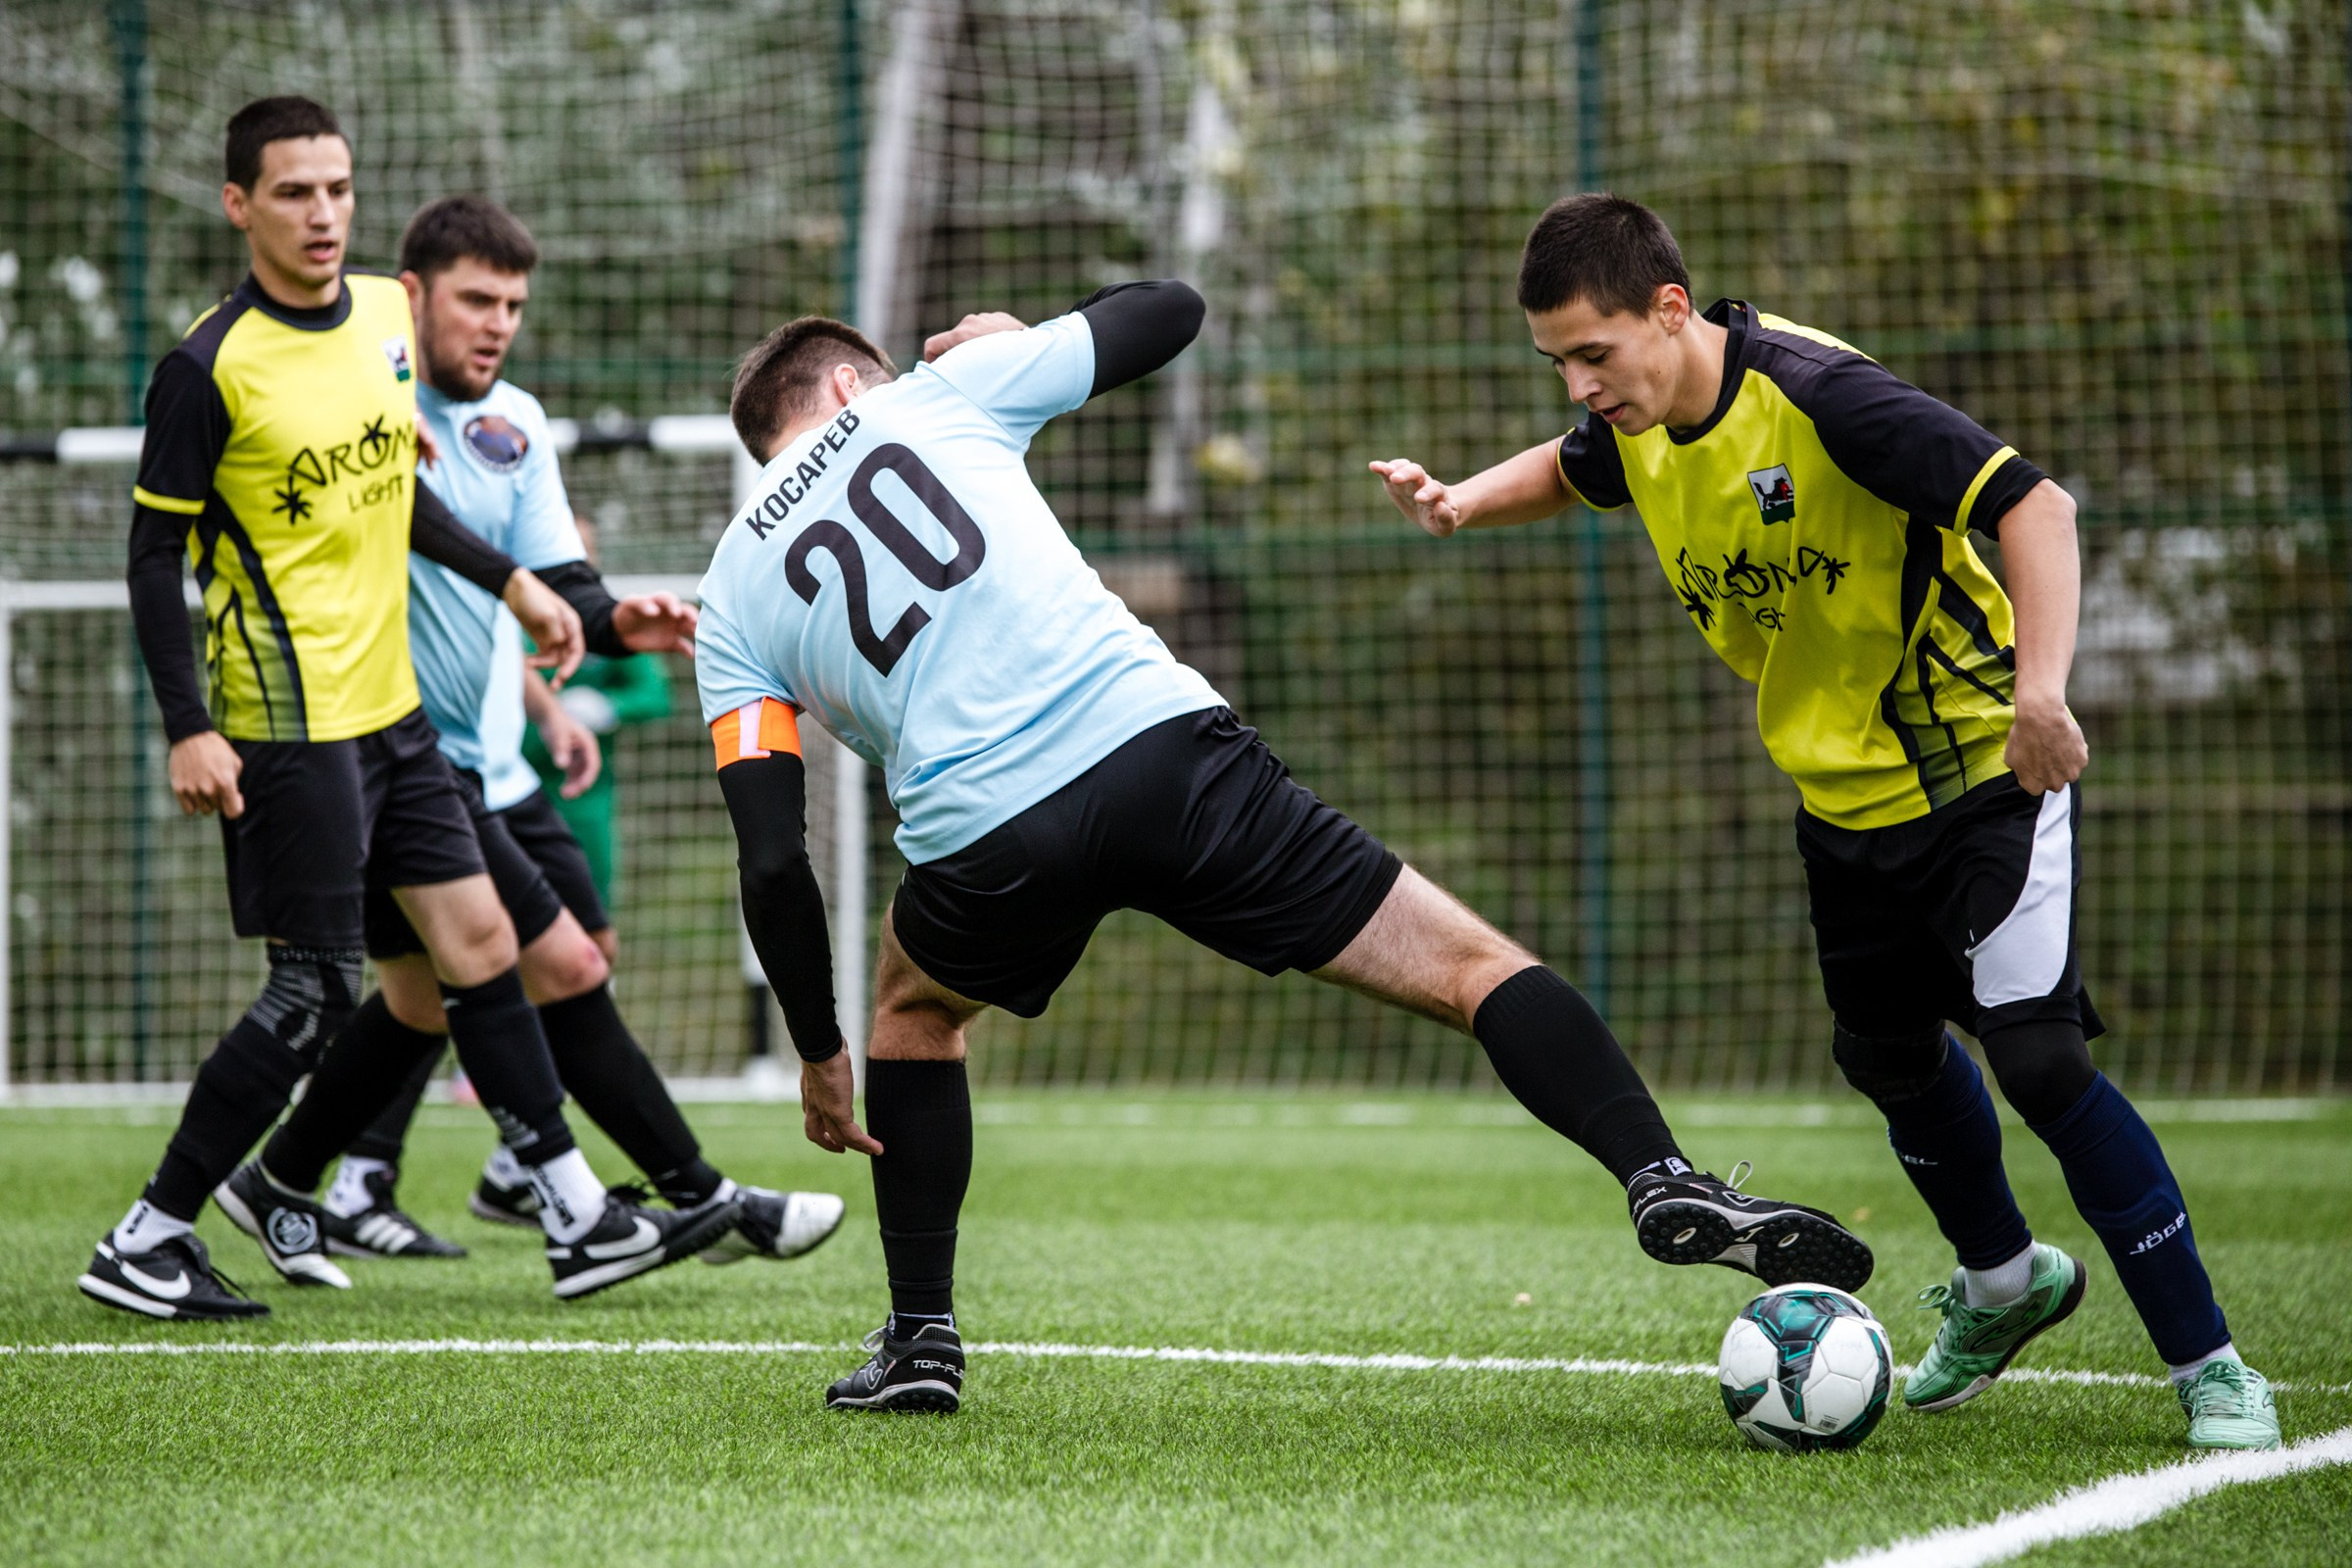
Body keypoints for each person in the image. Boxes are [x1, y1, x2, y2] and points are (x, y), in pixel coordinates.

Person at [697, 282, 1874, 1414]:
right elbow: (1170, 311)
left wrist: (817, 1047)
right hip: (1162, 753)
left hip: (988, 839)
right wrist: (1015, 339)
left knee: (913, 1010)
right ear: (856, 380)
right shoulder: (936, 399)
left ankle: (922, 1339)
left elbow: (771, 858)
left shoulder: (730, 596)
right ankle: (1657, 1171)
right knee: (1470, 968)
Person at [1370, 193, 2278, 1450]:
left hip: (1978, 775)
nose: (1579, 386)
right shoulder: (1636, 422)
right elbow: (1581, 471)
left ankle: (2213, 1368)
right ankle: (2006, 1285)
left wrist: (2042, 696)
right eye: (1557, 363)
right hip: (1841, 797)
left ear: (1671, 310)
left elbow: (2038, 508)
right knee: (1889, 1058)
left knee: (2039, 1060)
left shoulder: (1820, 399)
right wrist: (1463, 501)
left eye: (1594, 353)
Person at [78, 97, 738, 1323]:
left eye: (336, 188)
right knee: (316, 989)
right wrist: (188, 723)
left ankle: (577, 1216)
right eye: (292, 192)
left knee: (479, 949)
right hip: (286, 719)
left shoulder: (385, 312)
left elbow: (397, 499)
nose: (321, 213)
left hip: (393, 718)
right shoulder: (207, 368)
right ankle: (150, 1231)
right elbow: (146, 561)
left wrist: (524, 584)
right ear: (240, 206)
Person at [237, 195, 845, 1279]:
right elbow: (404, 528)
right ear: (411, 295)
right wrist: (519, 588)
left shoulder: (514, 421)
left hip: (465, 761)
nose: (496, 323)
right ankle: (677, 1202)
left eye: (513, 304)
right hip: (365, 749)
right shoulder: (354, 400)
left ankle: (278, 1178)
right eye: (476, 299)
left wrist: (618, 618)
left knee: (434, 994)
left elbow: (560, 574)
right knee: (549, 962)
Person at [521, 512, 673, 904]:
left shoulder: (605, 621)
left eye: (585, 550)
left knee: (591, 914)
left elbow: (655, 694)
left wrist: (607, 707)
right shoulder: (508, 618)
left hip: (584, 797)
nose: (577, 560)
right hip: (507, 790)